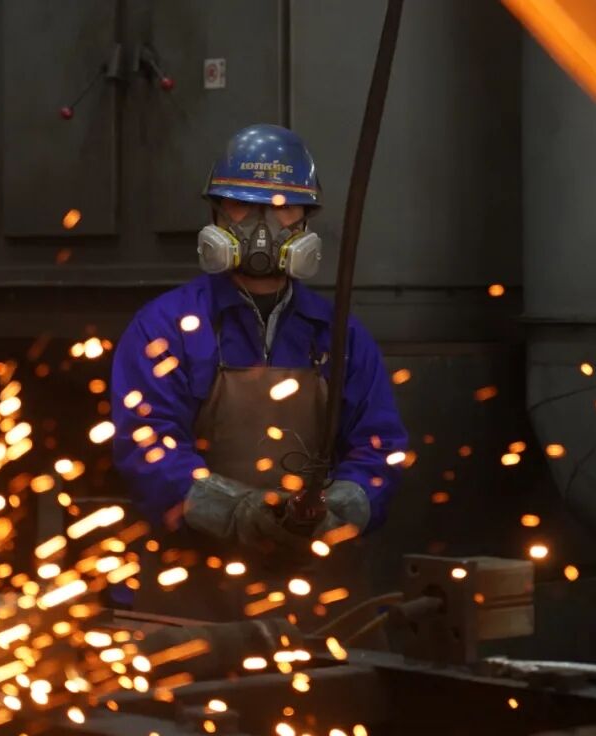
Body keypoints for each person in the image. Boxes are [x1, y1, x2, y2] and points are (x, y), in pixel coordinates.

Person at [110, 124, 408, 622]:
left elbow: (379, 447)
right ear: (216, 213)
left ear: (305, 221)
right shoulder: (167, 327)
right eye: (242, 207)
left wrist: (338, 508)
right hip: (194, 585)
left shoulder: (337, 334)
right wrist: (234, 511)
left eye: (284, 209)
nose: (263, 228)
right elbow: (147, 444)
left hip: (313, 587)